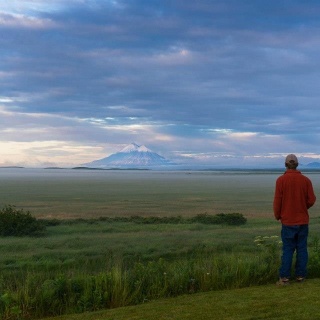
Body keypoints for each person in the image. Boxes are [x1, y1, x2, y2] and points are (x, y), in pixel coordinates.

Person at [273, 154, 316, 285]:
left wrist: (278, 215)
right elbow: (312, 199)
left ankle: (284, 278)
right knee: (302, 248)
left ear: (285, 164)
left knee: (288, 249)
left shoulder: (281, 180)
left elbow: (277, 201)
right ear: (297, 164)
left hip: (287, 221)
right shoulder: (306, 180)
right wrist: (303, 207)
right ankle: (300, 276)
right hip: (302, 220)